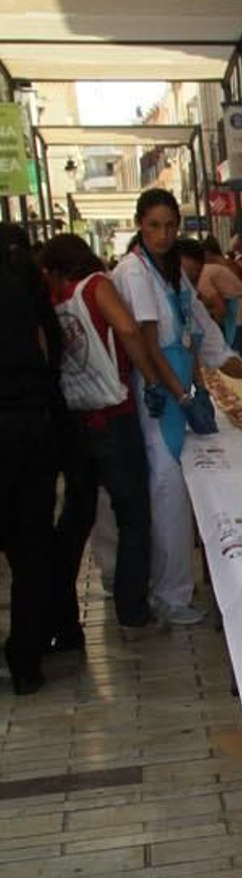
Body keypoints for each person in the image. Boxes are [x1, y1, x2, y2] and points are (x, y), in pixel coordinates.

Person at [112, 188, 242, 624]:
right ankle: (170, 595)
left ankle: (175, 586)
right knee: (167, 491)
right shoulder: (135, 272)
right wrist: (177, 392)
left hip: (176, 382)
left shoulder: (172, 272)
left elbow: (202, 333)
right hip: (159, 391)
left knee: (177, 486)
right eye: (154, 226)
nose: (163, 234)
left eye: (170, 226)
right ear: (140, 225)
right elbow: (147, 341)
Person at [40, 233, 154, 642]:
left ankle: (58, 611)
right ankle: (133, 612)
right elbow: (127, 329)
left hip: (76, 420)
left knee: (76, 517)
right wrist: (152, 378)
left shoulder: (53, 299)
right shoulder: (95, 286)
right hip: (113, 416)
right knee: (133, 515)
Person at [0, 224, 64, 694]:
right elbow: (51, 350)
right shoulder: (26, 285)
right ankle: (26, 658)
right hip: (30, 426)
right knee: (30, 548)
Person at [195, 236, 242, 361]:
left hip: (240, 318)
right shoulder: (222, 266)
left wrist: (213, 332)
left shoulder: (204, 273)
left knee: (239, 360)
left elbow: (220, 308)